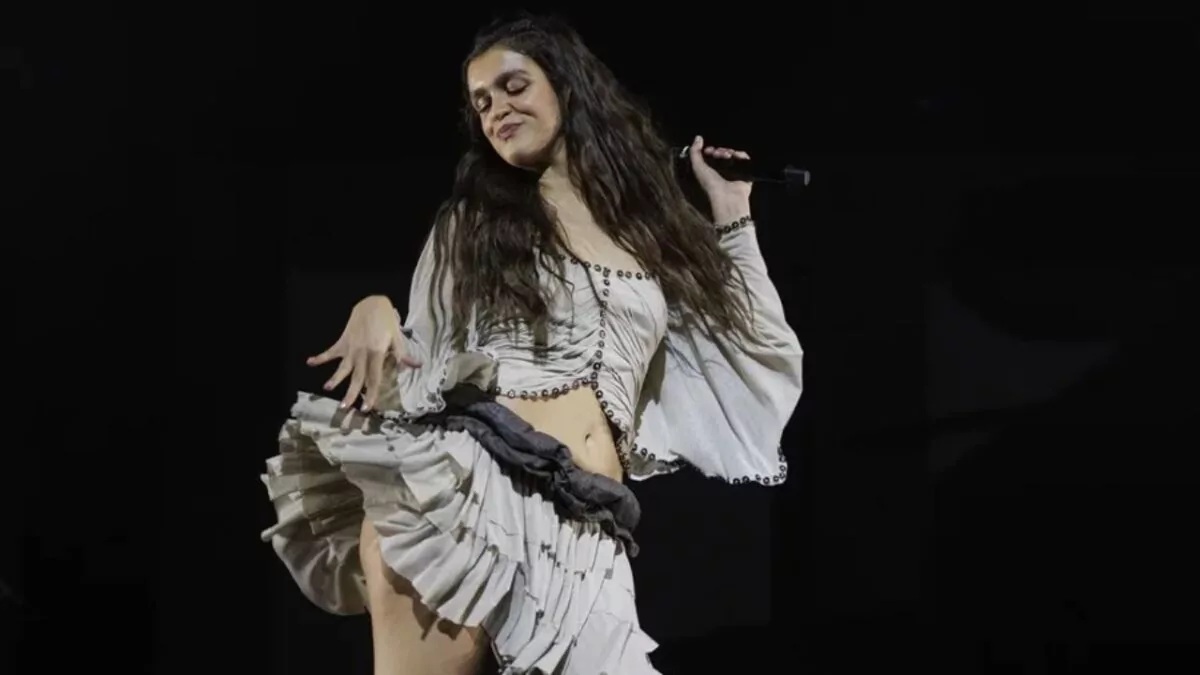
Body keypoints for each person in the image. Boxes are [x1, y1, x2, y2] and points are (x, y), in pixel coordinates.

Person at [259, 12, 803, 675]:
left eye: (514, 86)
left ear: (567, 88)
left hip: (588, 525)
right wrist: (377, 310)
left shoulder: (647, 239)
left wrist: (732, 210)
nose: (496, 110)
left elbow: (751, 340)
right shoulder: (474, 225)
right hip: (468, 494)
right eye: (482, 101)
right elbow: (426, 365)